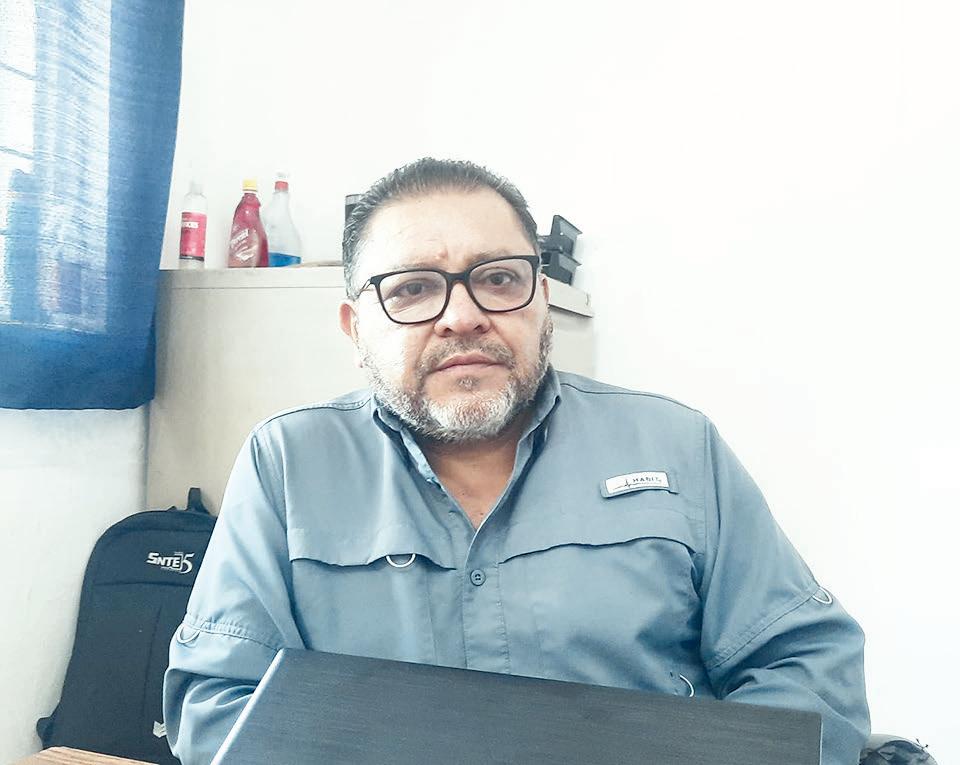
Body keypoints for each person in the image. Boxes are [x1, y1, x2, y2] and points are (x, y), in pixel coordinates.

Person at [163, 158, 870, 765]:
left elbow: (807, 668)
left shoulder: (676, 445)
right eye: (412, 288)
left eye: (498, 279)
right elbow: (219, 703)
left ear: (543, 305)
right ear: (356, 329)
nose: (462, 315)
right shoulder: (288, 464)